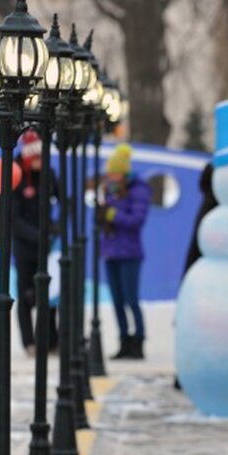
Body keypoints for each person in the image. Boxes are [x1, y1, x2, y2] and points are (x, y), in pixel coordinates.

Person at [98, 143, 151, 360]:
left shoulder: (138, 190)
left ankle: (138, 342)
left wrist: (113, 216)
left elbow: (137, 220)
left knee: (131, 300)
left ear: (122, 173)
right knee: (117, 301)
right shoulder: (110, 191)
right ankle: (123, 342)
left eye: (113, 173)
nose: (109, 177)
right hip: (111, 253)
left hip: (130, 254)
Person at [11, 130, 58, 355]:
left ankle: (48, 340)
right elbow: (13, 218)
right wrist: (36, 235)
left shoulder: (47, 172)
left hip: (45, 246)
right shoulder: (15, 173)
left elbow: (63, 197)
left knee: (48, 295)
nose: (40, 161)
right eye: (36, 158)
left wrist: (56, 228)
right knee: (26, 296)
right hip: (24, 247)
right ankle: (29, 343)